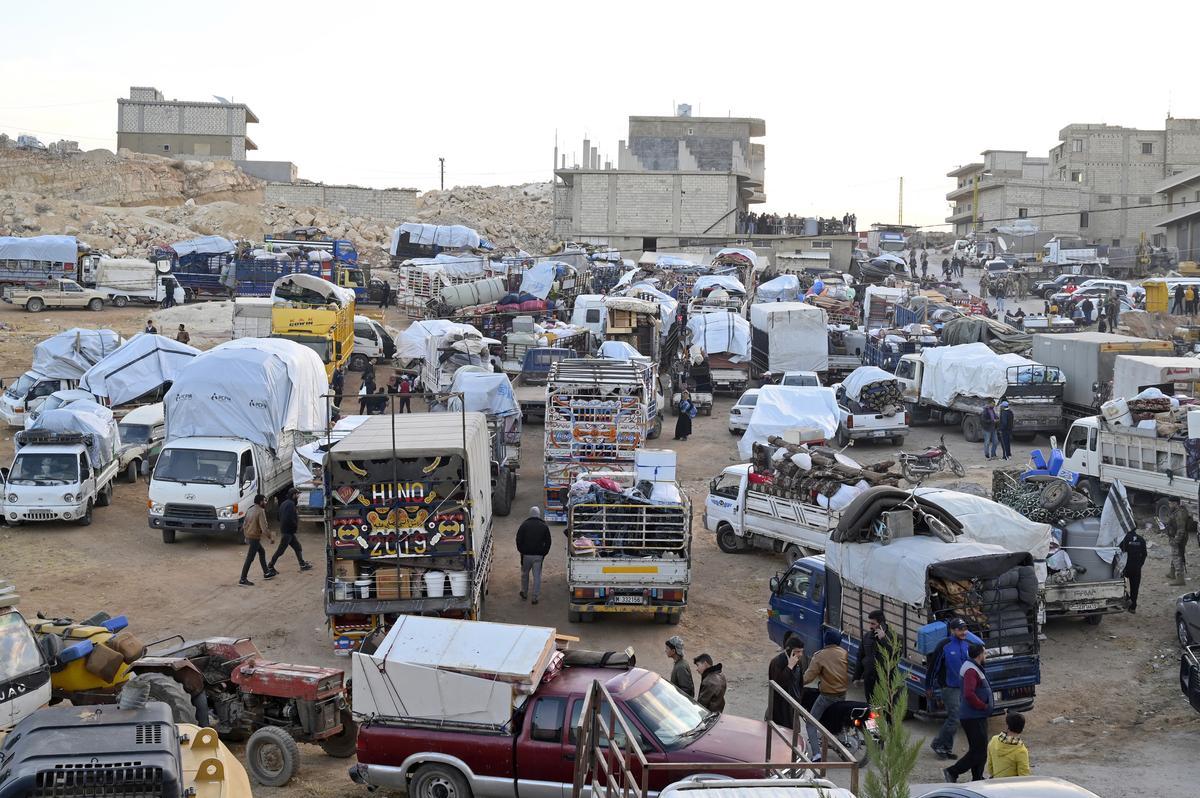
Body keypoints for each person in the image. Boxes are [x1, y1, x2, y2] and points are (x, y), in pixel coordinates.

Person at [943, 643, 992, 783]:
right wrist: (983, 706)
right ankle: (952, 771)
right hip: (973, 716)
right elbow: (969, 694)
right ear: (979, 655)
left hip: (975, 715)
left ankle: (977, 777)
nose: (986, 656)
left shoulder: (972, 666)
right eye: (985, 653)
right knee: (979, 751)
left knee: (979, 750)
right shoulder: (971, 670)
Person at [926, 618, 974, 759]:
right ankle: (938, 744)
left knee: (956, 717)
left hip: (963, 687)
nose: (963, 632)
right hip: (949, 687)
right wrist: (928, 686)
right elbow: (933, 667)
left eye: (965, 629)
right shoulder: (944, 645)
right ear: (952, 630)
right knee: (955, 717)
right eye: (960, 629)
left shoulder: (967, 645)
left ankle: (946, 748)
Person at [802, 629, 849, 761]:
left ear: (825, 640)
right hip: (842, 694)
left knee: (810, 723)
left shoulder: (820, 655)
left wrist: (797, 681)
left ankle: (817, 754)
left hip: (828, 696)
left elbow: (809, 677)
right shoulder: (843, 652)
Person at [853, 609, 898, 710]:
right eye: (869, 623)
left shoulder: (892, 637)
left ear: (881, 623)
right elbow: (860, 657)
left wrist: (884, 640)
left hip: (885, 682)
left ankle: (887, 725)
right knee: (871, 709)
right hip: (869, 680)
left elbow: (895, 656)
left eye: (873, 624)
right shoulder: (867, 637)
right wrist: (856, 677)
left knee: (886, 710)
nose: (870, 626)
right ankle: (872, 726)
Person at [268, 488, 313, 573]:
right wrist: (294, 525)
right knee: (280, 551)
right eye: (297, 494)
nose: (298, 496)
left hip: (288, 531)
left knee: (297, 547)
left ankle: (302, 564)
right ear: (293, 495)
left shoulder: (284, 503)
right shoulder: (291, 505)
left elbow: (278, 517)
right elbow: (288, 518)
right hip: (288, 532)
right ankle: (270, 566)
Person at [768, 636, 807, 727]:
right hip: (781, 707)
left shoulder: (799, 662)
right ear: (789, 650)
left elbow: (799, 683)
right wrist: (789, 667)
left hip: (794, 705)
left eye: (801, 651)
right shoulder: (777, 662)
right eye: (797, 651)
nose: (800, 654)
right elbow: (777, 685)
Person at [516, 506, 551, 604]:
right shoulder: (544, 526)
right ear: (539, 514)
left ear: (530, 514)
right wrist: (544, 553)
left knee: (525, 574)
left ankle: (524, 593)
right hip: (538, 556)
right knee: (537, 576)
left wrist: (521, 550)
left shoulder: (524, 525)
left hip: (526, 555)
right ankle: (535, 597)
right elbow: (548, 541)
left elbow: (518, 539)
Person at [239, 494, 276, 586]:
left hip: (249, 536)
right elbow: (264, 528)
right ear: (260, 502)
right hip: (254, 537)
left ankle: (266, 573)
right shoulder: (260, 511)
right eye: (264, 501)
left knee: (262, 552)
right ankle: (243, 579)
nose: (265, 502)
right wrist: (270, 537)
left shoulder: (250, 509)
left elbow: (244, 524)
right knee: (250, 558)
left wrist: (246, 536)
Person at [987, 711, 1031, 778]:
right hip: (1011, 786)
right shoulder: (1021, 751)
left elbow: (990, 766)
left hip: (996, 782)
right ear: (1022, 728)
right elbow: (1024, 776)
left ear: (1007, 725)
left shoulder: (994, 740)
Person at [1119, 525, 1149, 612]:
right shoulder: (1141, 539)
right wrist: (1140, 564)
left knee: (1120, 585)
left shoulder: (1124, 539)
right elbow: (1144, 554)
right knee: (1135, 588)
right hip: (1136, 568)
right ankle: (1133, 607)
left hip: (1125, 568)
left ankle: (1126, 599)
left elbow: (1119, 552)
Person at [1166, 496, 1192, 586]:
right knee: (1176, 554)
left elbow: (1181, 529)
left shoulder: (1179, 514)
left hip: (1178, 538)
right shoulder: (1178, 511)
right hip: (1177, 536)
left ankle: (1180, 578)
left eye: (1170, 503)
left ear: (1175, 503)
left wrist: (1176, 541)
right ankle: (1172, 573)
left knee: (1177, 556)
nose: (1169, 505)